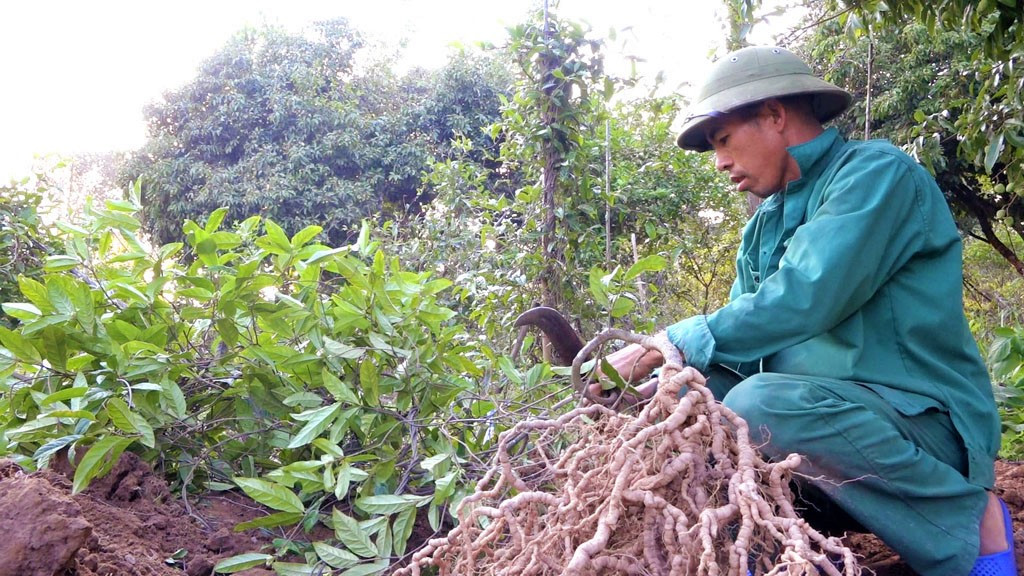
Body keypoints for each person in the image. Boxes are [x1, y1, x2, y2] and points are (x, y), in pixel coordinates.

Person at [603, 46, 1015, 576]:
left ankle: (968, 519)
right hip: (819, 434)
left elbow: (805, 295)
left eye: (723, 140)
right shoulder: (761, 228)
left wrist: (671, 340)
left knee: (757, 402)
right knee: (696, 404)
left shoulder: (874, 175)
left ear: (775, 115)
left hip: (922, 428)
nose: (720, 162)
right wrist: (661, 380)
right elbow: (743, 351)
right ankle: (761, 554)